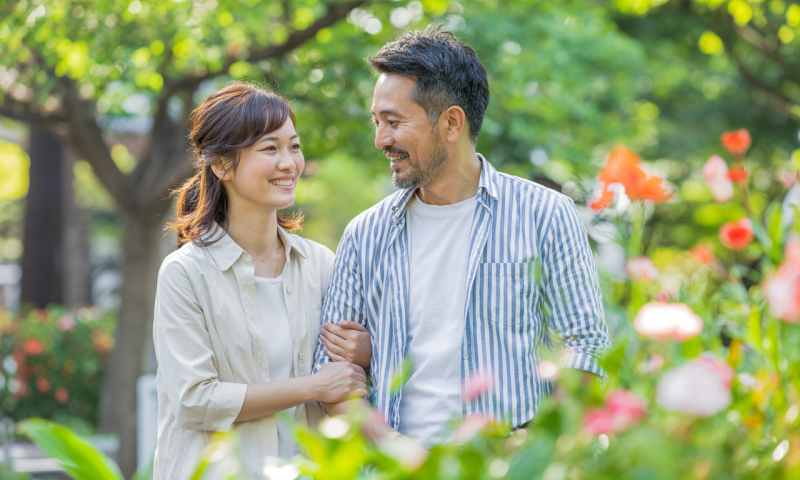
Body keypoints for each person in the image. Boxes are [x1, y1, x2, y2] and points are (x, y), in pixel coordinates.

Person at [314, 26, 611, 448]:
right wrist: (399, 452)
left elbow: (584, 346)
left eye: (394, 122)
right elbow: (332, 372)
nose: (381, 140)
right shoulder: (365, 234)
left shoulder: (544, 214)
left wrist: (532, 449)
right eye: (377, 121)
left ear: (452, 122)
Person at [153, 82, 371, 480]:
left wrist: (366, 351)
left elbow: (347, 376)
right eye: (270, 149)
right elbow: (195, 401)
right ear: (220, 164)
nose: (289, 163)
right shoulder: (185, 273)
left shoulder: (320, 264)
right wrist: (312, 387)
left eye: (295, 146)